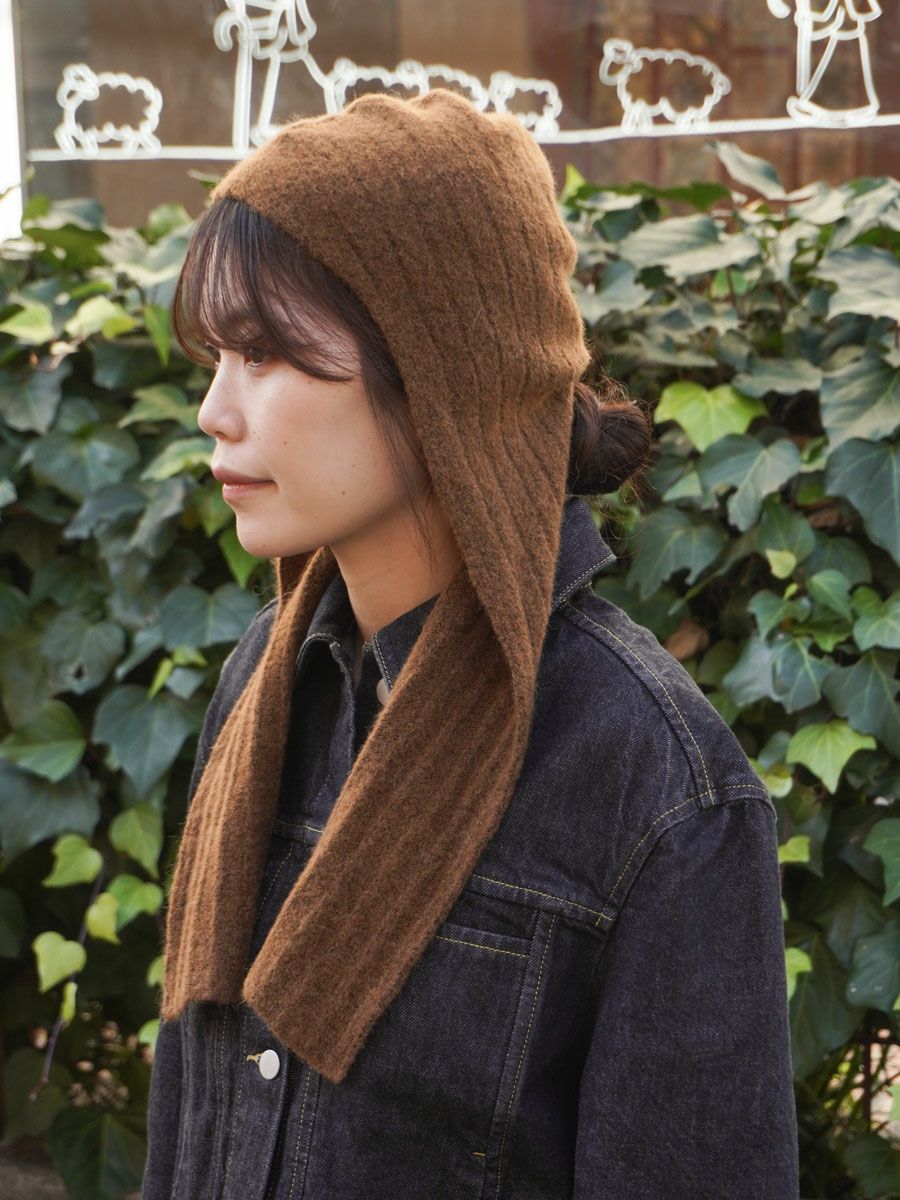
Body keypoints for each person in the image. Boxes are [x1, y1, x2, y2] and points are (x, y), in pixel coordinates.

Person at [141, 88, 800, 1199]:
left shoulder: (654, 784)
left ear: (437, 372)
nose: (214, 408)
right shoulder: (267, 681)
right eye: (216, 353)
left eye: (265, 354)